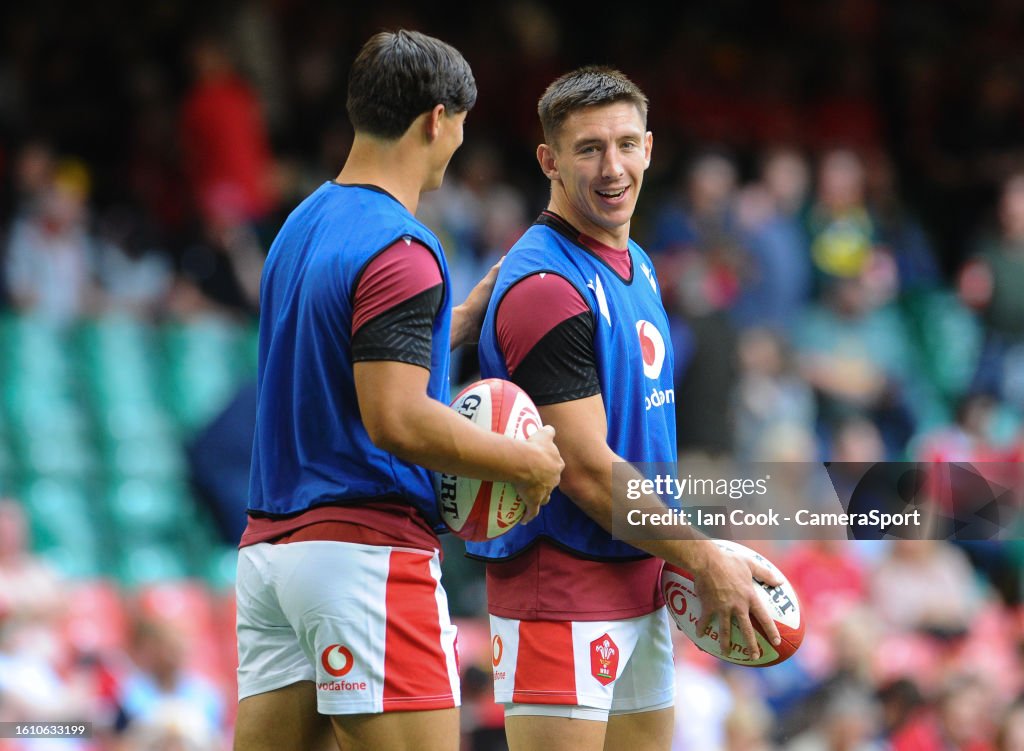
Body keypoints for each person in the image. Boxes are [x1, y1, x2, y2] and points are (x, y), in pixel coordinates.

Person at [232, 30, 563, 751]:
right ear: (437, 119)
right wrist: (525, 464)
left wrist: (458, 323)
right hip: (364, 554)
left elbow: (338, 365)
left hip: (271, 555)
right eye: (462, 125)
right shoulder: (403, 247)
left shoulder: (299, 225)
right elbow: (395, 418)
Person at [466, 66, 780, 751]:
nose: (613, 168)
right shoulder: (547, 286)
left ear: (650, 148)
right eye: (589, 149)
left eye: (626, 144)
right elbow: (584, 470)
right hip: (561, 590)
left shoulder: (633, 258)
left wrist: (680, 556)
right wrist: (704, 557)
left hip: (639, 581)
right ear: (549, 159)